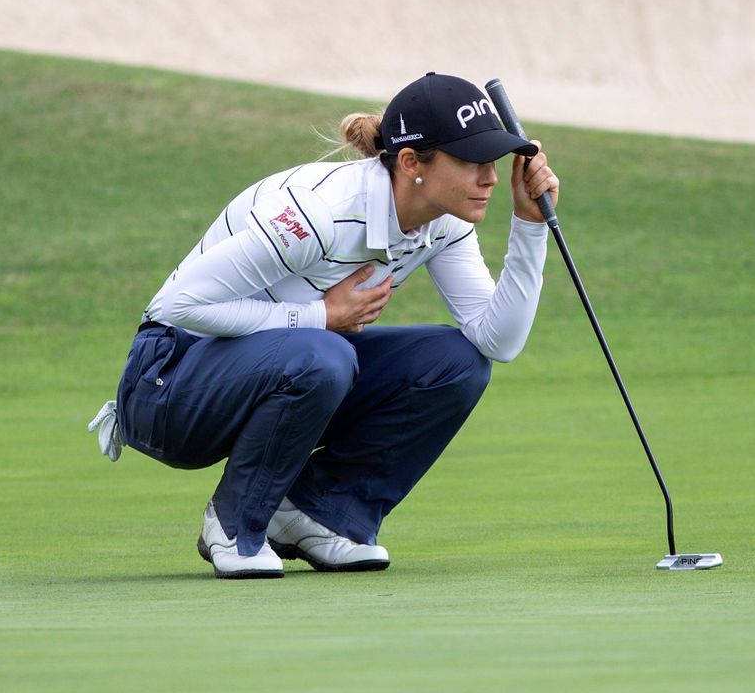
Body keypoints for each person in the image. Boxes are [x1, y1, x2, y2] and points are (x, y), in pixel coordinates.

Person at [87, 72, 560, 578]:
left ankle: (318, 513)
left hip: (271, 373)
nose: (490, 177)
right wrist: (320, 317)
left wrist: (530, 227)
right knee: (323, 352)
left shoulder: (443, 222)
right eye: (471, 162)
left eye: (492, 161)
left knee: (457, 363)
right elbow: (176, 304)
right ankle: (233, 525)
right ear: (410, 163)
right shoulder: (320, 213)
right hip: (167, 387)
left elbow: (498, 341)